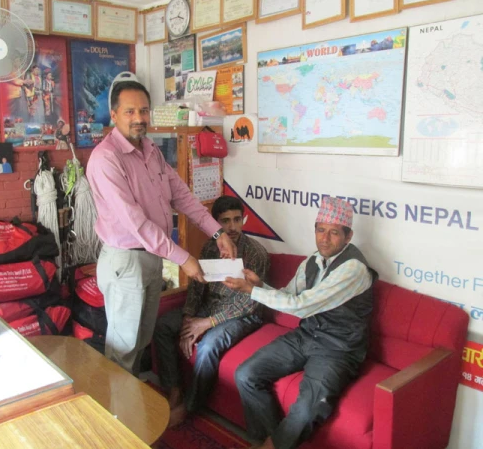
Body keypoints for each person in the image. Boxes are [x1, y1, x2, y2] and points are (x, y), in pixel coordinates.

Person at [87, 81, 237, 376]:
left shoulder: (150, 150)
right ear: (114, 115)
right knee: (122, 349)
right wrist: (184, 258)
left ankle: (133, 398)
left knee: (141, 341)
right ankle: (118, 405)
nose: (139, 118)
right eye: (130, 111)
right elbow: (136, 223)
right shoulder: (106, 159)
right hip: (125, 261)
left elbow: (182, 196)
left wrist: (218, 233)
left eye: (144, 111)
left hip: (152, 257)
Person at [224, 197, 378, 449]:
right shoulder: (313, 261)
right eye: (320, 230)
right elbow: (289, 295)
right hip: (306, 335)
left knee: (308, 408)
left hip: (338, 349)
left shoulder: (353, 269)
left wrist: (252, 291)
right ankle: (271, 441)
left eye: (334, 233)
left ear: (348, 237)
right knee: (246, 374)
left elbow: (301, 306)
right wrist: (259, 285)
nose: (324, 239)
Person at [154, 196, 270, 427]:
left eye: (237, 219)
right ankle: (174, 388)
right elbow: (197, 288)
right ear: (216, 224)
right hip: (210, 306)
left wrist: (207, 323)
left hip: (243, 314)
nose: (232, 227)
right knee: (164, 325)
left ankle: (189, 406)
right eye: (225, 221)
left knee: (208, 346)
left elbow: (250, 302)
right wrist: (188, 318)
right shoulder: (209, 247)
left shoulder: (256, 253)